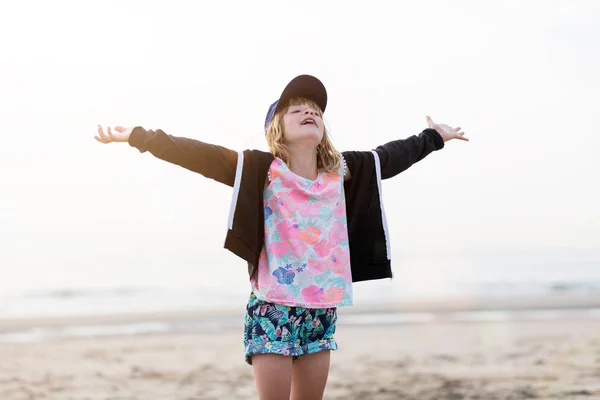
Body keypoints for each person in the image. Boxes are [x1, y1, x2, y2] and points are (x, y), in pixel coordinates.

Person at [95, 74, 468, 399]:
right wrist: (139, 137)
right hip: (273, 305)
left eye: (317, 111)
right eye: (297, 110)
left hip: (321, 308)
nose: (311, 113)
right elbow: (198, 155)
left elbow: (390, 156)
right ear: (277, 128)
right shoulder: (263, 170)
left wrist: (434, 136)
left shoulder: (340, 173)